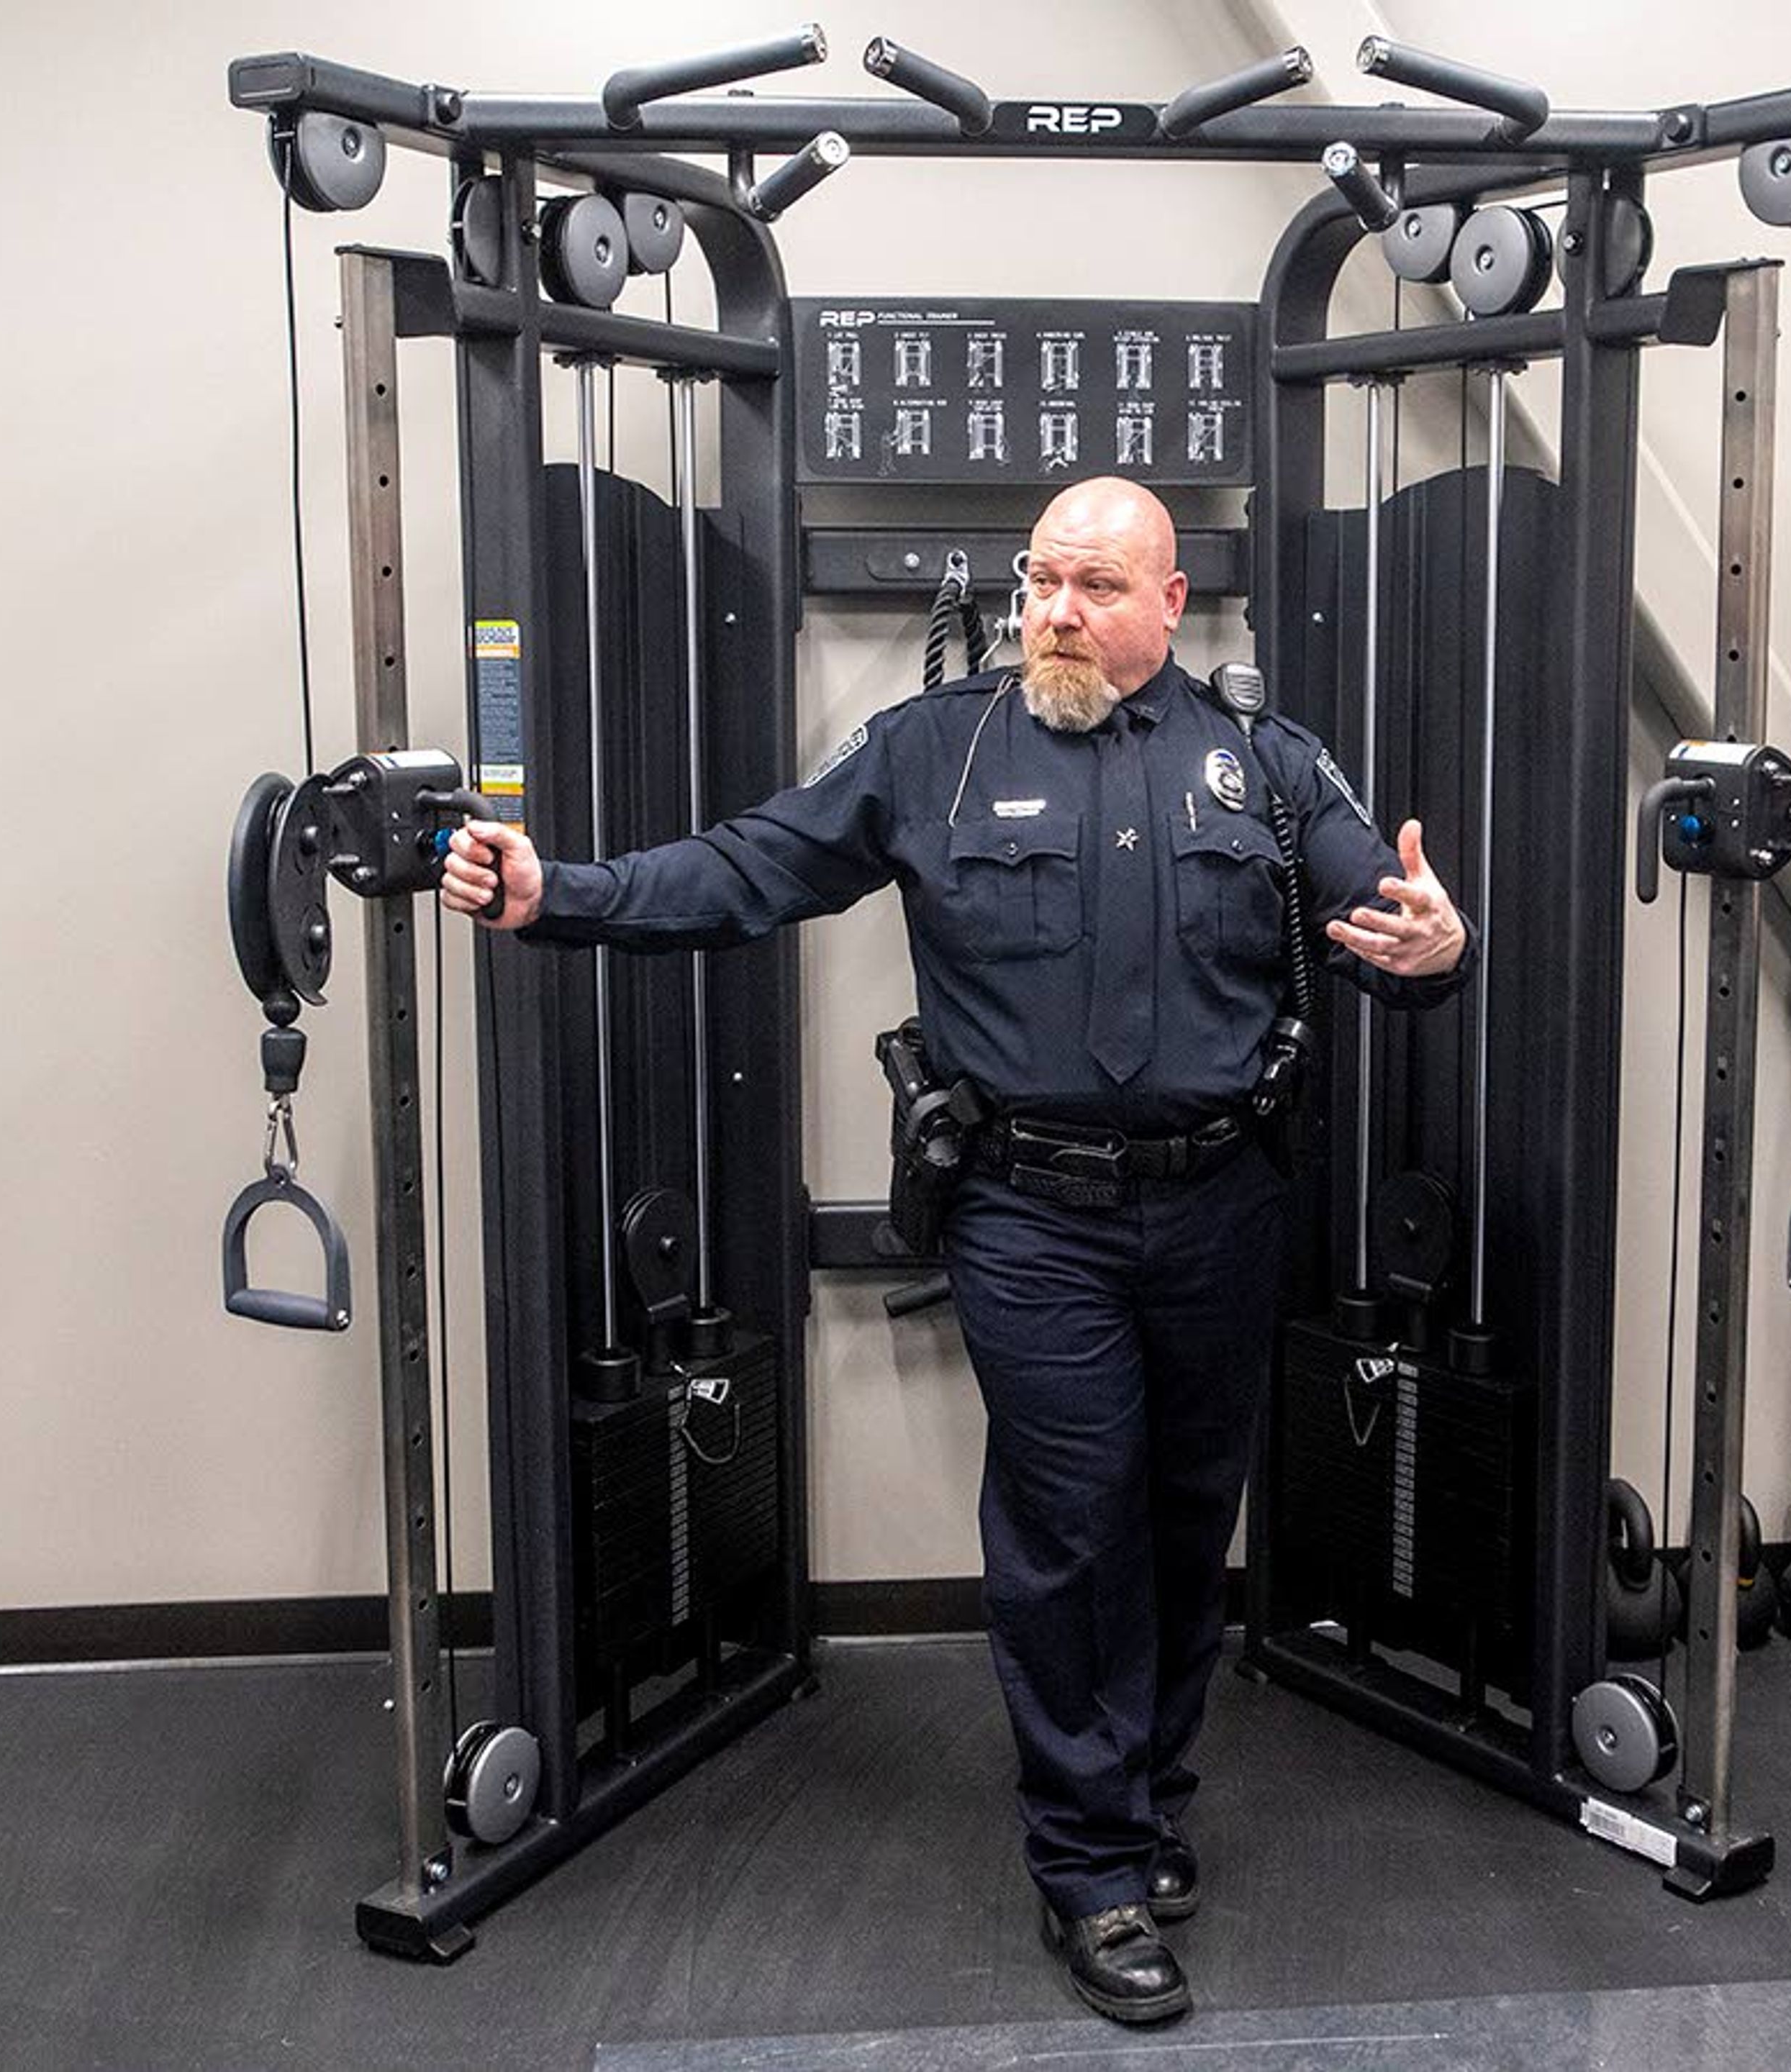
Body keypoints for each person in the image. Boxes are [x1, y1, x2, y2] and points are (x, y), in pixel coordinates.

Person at [440, 476, 1469, 2020]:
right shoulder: (938, 748)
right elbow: (746, 868)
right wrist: (557, 896)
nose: (1051, 608)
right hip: (1027, 1213)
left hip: (1221, 1205)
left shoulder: (1264, 764)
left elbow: (1386, 923)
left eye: (1093, 585)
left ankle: (1149, 1791)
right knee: (1069, 1525)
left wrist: (1438, 950)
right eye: (1039, 579)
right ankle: (1091, 1864)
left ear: (1171, 606)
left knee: (1191, 1523)